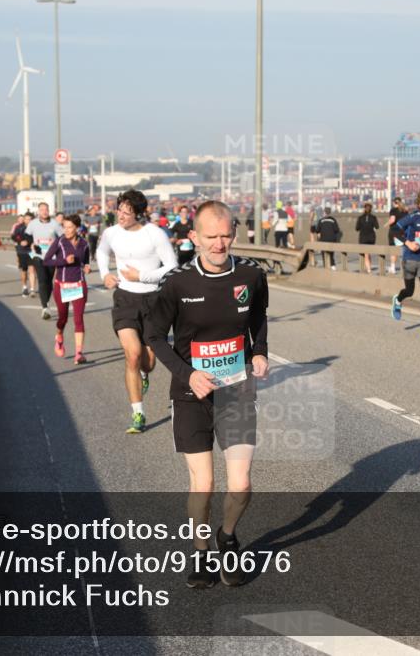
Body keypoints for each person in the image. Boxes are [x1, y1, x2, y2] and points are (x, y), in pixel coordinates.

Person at [144, 200, 269, 588]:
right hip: (191, 392)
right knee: (203, 484)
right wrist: (188, 373)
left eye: (226, 235)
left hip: (236, 389)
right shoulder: (178, 283)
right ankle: (200, 551)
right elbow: (153, 336)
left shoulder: (251, 275)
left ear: (234, 233)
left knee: (242, 483)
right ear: (194, 237)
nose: (219, 244)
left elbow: (259, 317)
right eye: (211, 237)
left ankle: (227, 537)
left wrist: (260, 351)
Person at [96, 189, 178, 434]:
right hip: (125, 298)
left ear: (139, 214)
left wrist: (142, 275)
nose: (121, 216)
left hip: (153, 299)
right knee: (132, 354)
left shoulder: (155, 234)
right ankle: (138, 413)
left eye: (127, 212)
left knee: (149, 362)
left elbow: (172, 266)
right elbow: (101, 252)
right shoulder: (111, 233)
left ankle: (144, 372)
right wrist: (105, 275)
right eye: (119, 210)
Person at [44, 214, 91, 364]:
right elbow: (46, 261)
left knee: (78, 319)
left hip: (79, 284)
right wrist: (64, 261)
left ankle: (79, 353)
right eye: (65, 227)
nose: (67, 230)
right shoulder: (59, 242)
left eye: (70, 227)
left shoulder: (84, 243)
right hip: (62, 285)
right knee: (63, 318)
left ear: (77, 228)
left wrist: (87, 266)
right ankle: (59, 336)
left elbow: (86, 260)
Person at [391, 190, 420, 338]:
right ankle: (398, 299)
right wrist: (408, 243)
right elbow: (395, 230)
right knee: (409, 291)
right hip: (410, 258)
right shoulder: (412, 217)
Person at [27, 202, 63, 319]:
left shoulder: (55, 224)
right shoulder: (32, 224)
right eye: (42, 210)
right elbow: (26, 236)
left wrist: (56, 245)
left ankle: (46, 302)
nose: (44, 212)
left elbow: (62, 237)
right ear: (38, 211)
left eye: (46, 209)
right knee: (42, 280)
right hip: (38, 256)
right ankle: (45, 308)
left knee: (48, 281)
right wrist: (30, 244)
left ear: (49, 211)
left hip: (52, 257)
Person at [12, 212, 35, 297]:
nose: (28, 221)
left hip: (32, 252)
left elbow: (37, 238)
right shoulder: (19, 227)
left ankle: (32, 289)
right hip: (22, 251)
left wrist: (30, 242)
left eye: (30, 219)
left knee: (32, 270)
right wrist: (20, 241)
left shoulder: (35, 228)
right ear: (24, 219)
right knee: (24, 270)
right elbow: (14, 236)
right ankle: (25, 287)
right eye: (26, 219)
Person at [387, 197, 409, 275]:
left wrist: (387, 224)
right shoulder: (405, 210)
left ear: (394, 203)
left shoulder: (393, 210)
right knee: (403, 250)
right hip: (403, 232)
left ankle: (393, 268)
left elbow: (392, 219)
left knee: (394, 250)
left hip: (394, 232)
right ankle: (405, 268)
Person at [355, 202, 379, 272]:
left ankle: (368, 269)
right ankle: (369, 266)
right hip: (371, 237)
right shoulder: (373, 217)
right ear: (371, 209)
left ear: (364, 209)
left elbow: (357, 228)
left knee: (366, 254)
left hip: (363, 237)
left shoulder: (360, 218)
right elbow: (377, 227)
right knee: (368, 253)